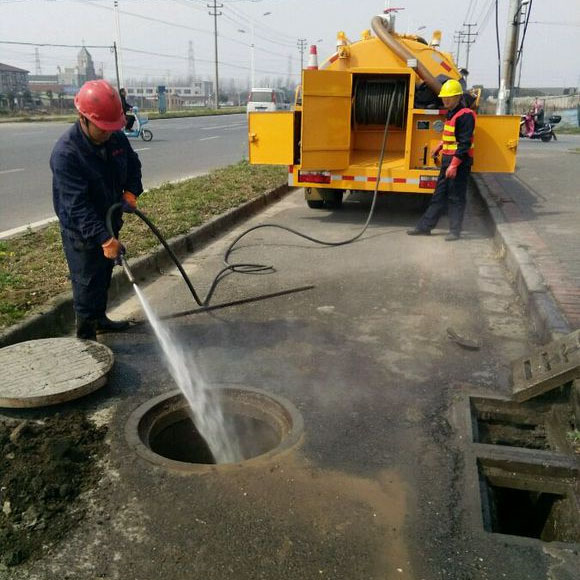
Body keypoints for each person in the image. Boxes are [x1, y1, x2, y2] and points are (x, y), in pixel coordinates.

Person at [50, 79, 143, 340]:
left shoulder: (115, 138)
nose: (107, 133)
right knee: (87, 281)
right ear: (83, 118)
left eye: (111, 128)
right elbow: (76, 207)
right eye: (102, 128)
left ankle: (100, 320)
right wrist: (103, 238)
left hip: (110, 219)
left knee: (103, 275)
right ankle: (87, 338)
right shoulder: (66, 154)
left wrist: (131, 191)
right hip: (82, 231)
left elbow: (133, 166)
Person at [407, 79, 476, 241]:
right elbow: (450, 136)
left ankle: (455, 231)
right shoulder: (451, 113)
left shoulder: (465, 116)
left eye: (449, 97)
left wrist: (454, 165)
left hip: (459, 163)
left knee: (455, 197)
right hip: (447, 161)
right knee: (438, 195)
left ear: (458, 97)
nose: (445, 100)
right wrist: (439, 146)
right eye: (444, 97)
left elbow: (464, 144)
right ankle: (425, 227)